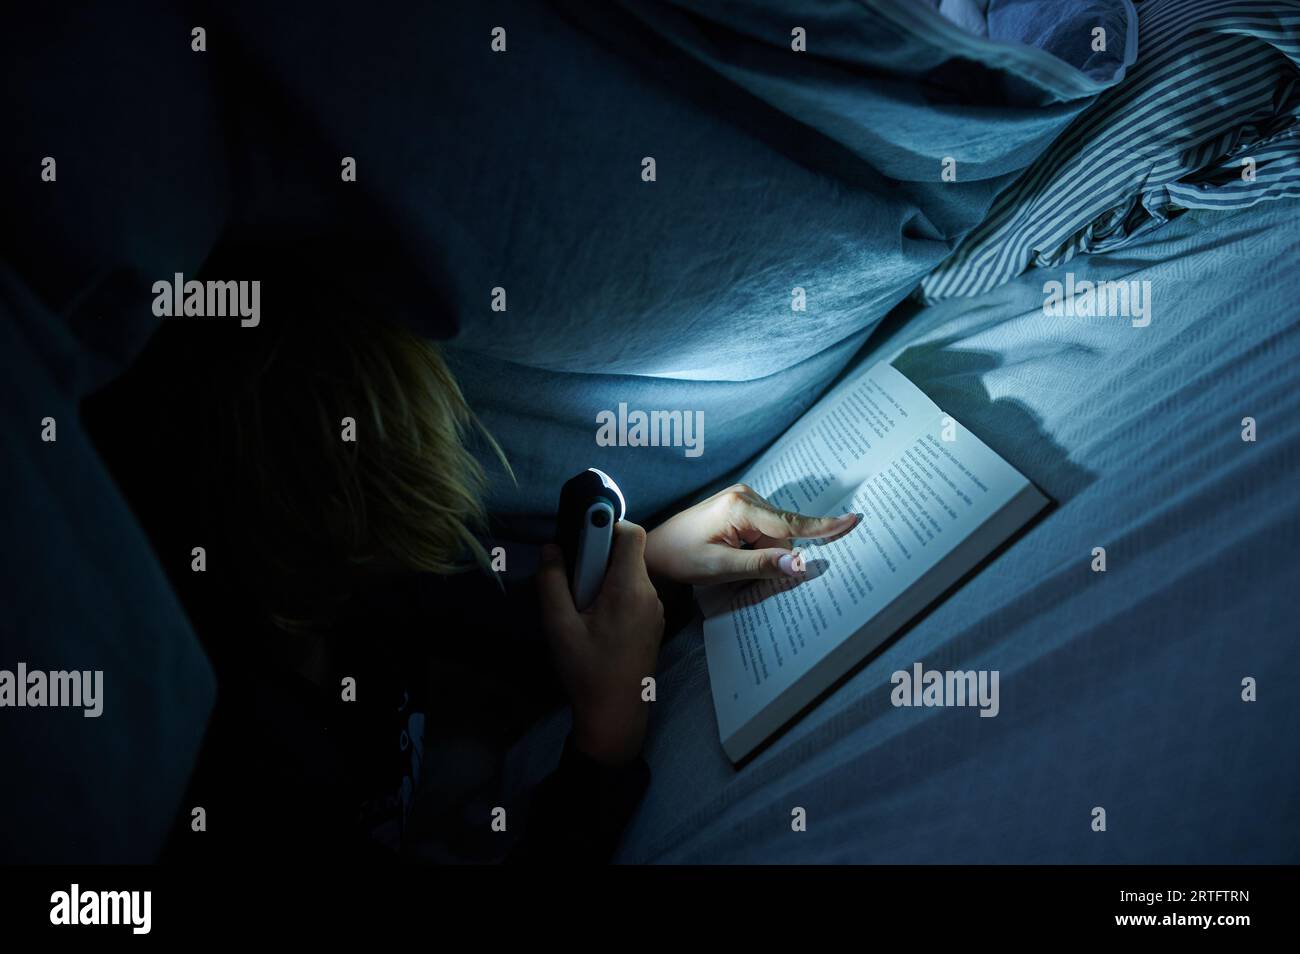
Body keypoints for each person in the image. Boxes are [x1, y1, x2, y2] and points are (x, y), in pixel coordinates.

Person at [83, 266, 858, 863]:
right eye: (376, 558)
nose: (405, 569)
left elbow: (456, 624)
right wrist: (605, 744)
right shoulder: (246, 784)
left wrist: (648, 564)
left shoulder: (348, 578)